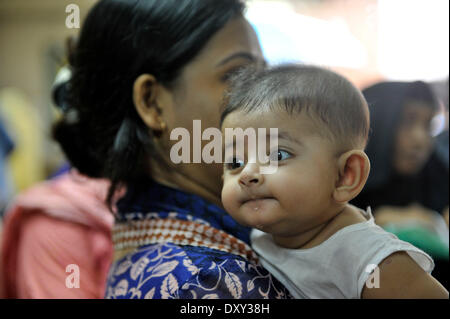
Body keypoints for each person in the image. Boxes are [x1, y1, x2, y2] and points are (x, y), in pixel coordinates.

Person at [54, 0, 291, 299]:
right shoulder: (207, 281)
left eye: (265, 75)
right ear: (152, 103)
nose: (268, 99)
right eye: (238, 75)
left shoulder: (156, 239)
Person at [220, 64, 449, 298]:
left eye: (279, 155)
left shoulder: (368, 259)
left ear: (345, 176)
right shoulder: (261, 232)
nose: (247, 175)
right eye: (235, 162)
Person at [351, 81, 449, 289]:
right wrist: (376, 221)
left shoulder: (435, 175)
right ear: (376, 123)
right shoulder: (334, 191)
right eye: (408, 121)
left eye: (428, 125)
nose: (420, 139)